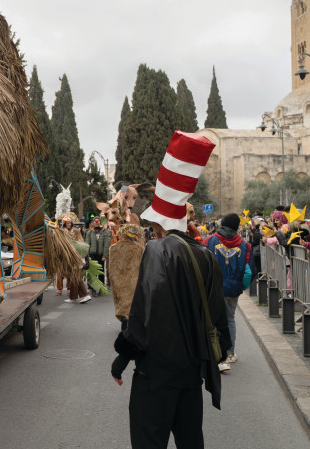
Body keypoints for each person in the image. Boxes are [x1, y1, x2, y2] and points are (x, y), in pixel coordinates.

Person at [111, 131, 230, 449]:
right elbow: (218, 314)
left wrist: (122, 358)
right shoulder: (206, 255)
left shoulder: (156, 251)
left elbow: (142, 315)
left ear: (158, 224)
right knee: (191, 442)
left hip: (156, 376)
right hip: (191, 375)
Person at [205, 213, 252, 371]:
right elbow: (248, 272)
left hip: (213, 288)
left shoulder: (209, 241)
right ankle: (230, 353)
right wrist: (240, 287)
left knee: (212, 320)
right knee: (230, 319)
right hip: (232, 289)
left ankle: (213, 352)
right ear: (237, 227)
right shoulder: (244, 245)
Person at [108, 224, 144, 330]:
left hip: (117, 278)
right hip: (134, 279)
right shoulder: (139, 248)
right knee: (131, 300)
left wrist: (111, 279)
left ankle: (124, 318)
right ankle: (130, 321)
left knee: (120, 299)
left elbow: (111, 266)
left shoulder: (113, 248)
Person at [85, 217, 111, 283]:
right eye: (95, 221)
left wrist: (105, 255)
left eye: (98, 221)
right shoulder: (89, 232)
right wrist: (86, 255)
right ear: (93, 222)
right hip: (92, 255)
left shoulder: (105, 232)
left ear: (100, 222)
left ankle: (101, 286)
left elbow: (106, 244)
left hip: (100, 255)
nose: (96, 222)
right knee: (92, 272)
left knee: (101, 272)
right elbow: (87, 244)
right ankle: (91, 286)